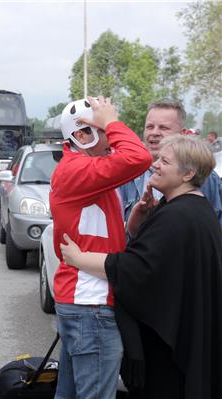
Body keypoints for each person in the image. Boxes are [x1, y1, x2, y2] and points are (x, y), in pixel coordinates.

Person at [60, 134, 222, 399]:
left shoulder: (179, 216)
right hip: (185, 337)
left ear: (188, 173)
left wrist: (78, 258)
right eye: (158, 159)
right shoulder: (190, 208)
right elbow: (159, 257)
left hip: (169, 353)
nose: (155, 165)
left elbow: (136, 268)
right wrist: (139, 218)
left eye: (164, 161)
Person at [49, 96, 152, 399]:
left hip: (84, 303)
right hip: (89, 305)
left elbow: (101, 233)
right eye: (103, 130)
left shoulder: (83, 169)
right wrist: (111, 119)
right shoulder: (77, 170)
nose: (111, 137)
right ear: (81, 134)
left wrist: (134, 221)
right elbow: (138, 157)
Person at [119, 100, 222, 227]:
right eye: (150, 127)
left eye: (163, 127)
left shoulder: (207, 178)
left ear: (182, 134)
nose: (154, 132)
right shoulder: (125, 174)